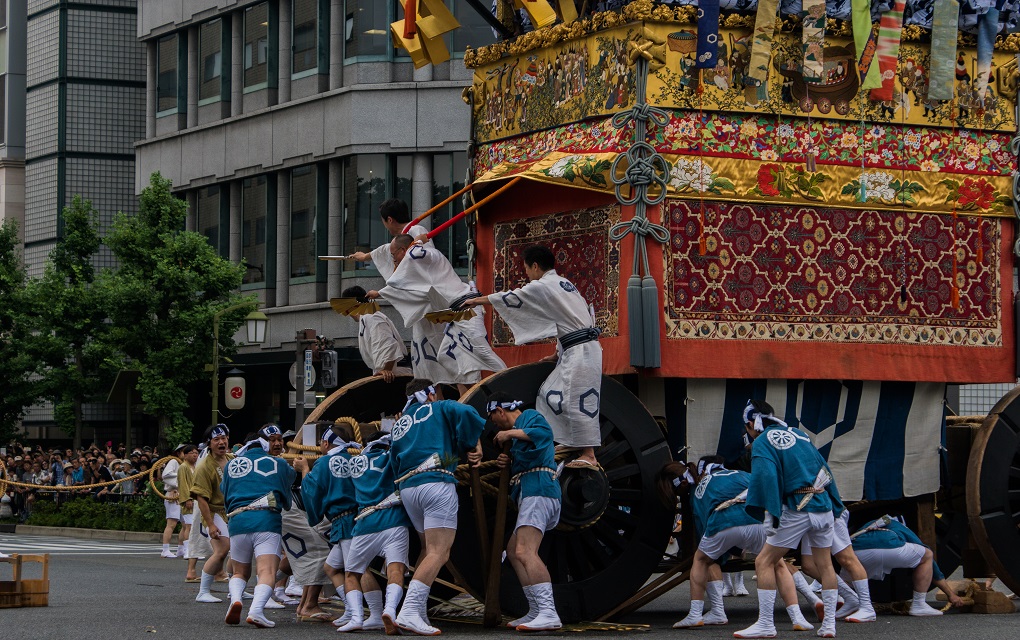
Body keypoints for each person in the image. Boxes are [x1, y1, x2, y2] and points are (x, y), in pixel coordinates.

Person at [464, 244, 601, 469]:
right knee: (550, 394)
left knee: (578, 399)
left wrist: (477, 301)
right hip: (577, 349)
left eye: (527, 270)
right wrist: (556, 355)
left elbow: (513, 297)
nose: (527, 276)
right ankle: (569, 442)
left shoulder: (546, 284)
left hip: (582, 351)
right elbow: (566, 322)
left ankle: (589, 454)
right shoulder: (565, 285)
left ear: (535, 266)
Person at [662, 457, 812, 631]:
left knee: (702, 560)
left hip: (724, 522)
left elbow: (705, 530)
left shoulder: (697, 493)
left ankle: (697, 614)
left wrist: (722, 554)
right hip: (758, 521)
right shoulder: (735, 473)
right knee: (777, 564)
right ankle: (797, 617)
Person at [388, 378, 485, 635]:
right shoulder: (439, 408)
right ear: (431, 393)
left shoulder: (401, 423)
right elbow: (467, 412)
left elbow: (392, 461)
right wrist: (470, 444)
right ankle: (409, 611)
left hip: (408, 489)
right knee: (439, 552)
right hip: (436, 483)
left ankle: (416, 610)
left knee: (427, 548)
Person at [741, 400, 845, 639]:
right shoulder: (798, 434)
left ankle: (766, 623)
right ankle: (829, 624)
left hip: (797, 508)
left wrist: (770, 511)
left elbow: (766, 477)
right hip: (822, 504)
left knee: (764, 562)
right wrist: (835, 500)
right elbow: (823, 467)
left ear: (750, 424)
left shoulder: (762, 442)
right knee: (825, 564)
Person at [368, 235, 507, 394]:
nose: (394, 260)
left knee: (482, 352)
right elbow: (409, 289)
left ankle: (511, 380)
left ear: (403, 250)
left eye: (394, 255)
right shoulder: (421, 263)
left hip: (468, 308)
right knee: (444, 357)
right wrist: (380, 293)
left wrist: (418, 241)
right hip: (455, 315)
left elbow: (399, 276)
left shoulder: (424, 254)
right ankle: (479, 394)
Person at [487, 392, 563, 632]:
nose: (495, 425)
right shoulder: (519, 434)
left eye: (493, 418)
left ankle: (549, 612)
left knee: (525, 550)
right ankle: (536, 610)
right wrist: (508, 463)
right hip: (531, 492)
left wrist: (508, 433)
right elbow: (530, 452)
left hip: (539, 490)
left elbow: (544, 435)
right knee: (512, 551)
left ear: (500, 410)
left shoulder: (529, 416)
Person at [220, 424, 296, 628]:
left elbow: (224, 494)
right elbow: (288, 493)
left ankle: (235, 599)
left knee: (239, 572)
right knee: (266, 571)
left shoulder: (231, 465)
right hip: (266, 521)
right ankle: (256, 610)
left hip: (237, 521)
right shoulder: (278, 464)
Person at [299, 422, 372, 629]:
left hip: (345, 520)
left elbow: (312, 490)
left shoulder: (323, 463)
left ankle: (360, 615)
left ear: (325, 442)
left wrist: (304, 469)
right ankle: (350, 610)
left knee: (354, 570)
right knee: (330, 567)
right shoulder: (355, 458)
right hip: (354, 517)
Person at [340, 430, 411, 633]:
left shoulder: (354, 463)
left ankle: (355, 618)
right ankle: (389, 611)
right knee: (395, 571)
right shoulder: (393, 458)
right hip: (394, 520)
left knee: (352, 574)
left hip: (365, 523)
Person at [849, 515, 964, 615]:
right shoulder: (900, 526)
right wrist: (950, 594)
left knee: (846, 580)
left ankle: (844, 602)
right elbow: (931, 564)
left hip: (856, 552)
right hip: (887, 545)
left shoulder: (868, 525)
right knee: (927, 555)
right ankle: (919, 605)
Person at [191, 423, 235, 604]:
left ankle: (235, 588)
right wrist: (210, 524)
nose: (221, 442)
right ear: (209, 444)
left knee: (239, 549)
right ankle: (203, 591)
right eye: (216, 439)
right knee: (222, 550)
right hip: (214, 511)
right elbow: (201, 498)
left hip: (233, 511)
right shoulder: (204, 466)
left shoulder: (233, 459)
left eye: (223, 438)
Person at [341, 285, 412, 382]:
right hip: (390, 373)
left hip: (395, 373)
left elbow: (388, 344)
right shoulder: (366, 317)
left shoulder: (370, 316)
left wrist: (386, 369)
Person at [349, 198, 432, 279]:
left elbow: (427, 258)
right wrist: (365, 257)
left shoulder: (416, 230)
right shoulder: (403, 237)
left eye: (383, 221)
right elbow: (384, 249)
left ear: (389, 220)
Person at [160, 445, 184, 558]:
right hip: (172, 494)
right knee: (171, 523)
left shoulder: (187, 465)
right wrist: (179, 482)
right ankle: (165, 549)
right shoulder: (174, 461)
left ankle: (181, 548)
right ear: (178, 453)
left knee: (186, 524)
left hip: (183, 496)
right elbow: (166, 475)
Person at [177, 445, 199, 564]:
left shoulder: (195, 466)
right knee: (189, 526)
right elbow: (183, 484)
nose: (195, 455)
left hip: (197, 499)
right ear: (185, 455)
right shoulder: (183, 467)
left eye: (196, 452)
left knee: (194, 526)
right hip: (189, 499)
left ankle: (190, 549)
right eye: (192, 453)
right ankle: (187, 550)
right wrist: (187, 499)